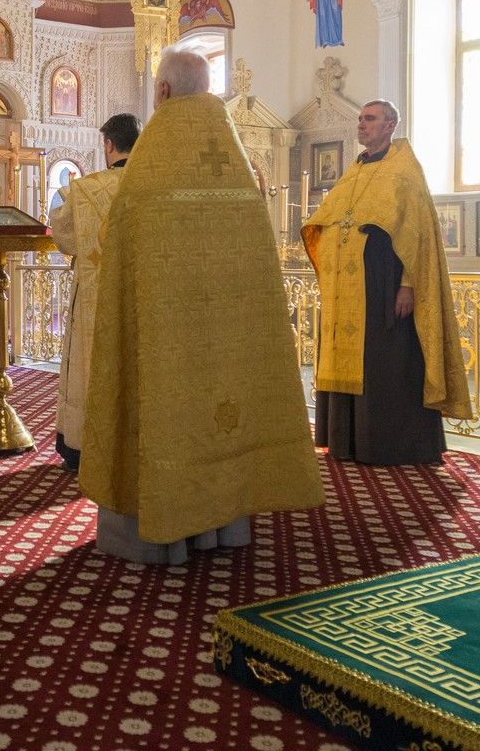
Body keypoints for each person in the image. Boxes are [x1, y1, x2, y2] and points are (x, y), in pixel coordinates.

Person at [80, 48, 323, 564]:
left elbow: (114, 234)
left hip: (167, 330)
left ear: (163, 91)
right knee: (221, 410)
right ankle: (225, 526)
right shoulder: (232, 155)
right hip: (229, 327)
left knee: (167, 411)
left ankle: (161, 538)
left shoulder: (155, 154)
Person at [302, 101, 470, 465]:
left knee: (386, 364)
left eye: (370, 119)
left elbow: (418, 236)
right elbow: (333, 219)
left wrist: (408, 284)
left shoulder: (404, 171)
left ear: (390, 124)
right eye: (361, 119)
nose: (361, 126)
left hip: (385, 287)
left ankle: (389, 443)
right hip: (348, 289)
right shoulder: (355, 170)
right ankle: (347, 442)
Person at [50, 113, 139, 473]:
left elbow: (64, 235)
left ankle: (85, 447)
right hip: (139, 294)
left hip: (95, 295)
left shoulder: (84, 190)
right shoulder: (152, 185)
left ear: (108, 144)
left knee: (89, 365)